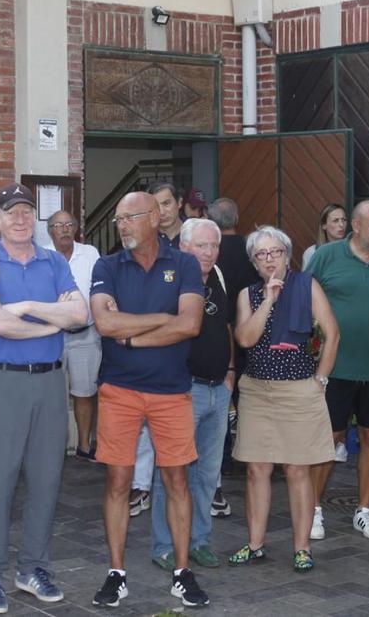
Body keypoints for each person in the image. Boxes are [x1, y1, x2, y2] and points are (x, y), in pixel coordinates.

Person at [0, 183, 87, 613]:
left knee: (47, 479)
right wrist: (49, 324)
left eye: (26, 212)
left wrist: (27, 306)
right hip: (2, 381)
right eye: (10, 211)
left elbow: (80, 314)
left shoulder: (53, 260)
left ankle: (33, 567)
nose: (19, 219)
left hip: (51, 382)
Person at [89, 191, 208, 610]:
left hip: (172, 390)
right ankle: (116, 574)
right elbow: (104, 322)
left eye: (130, 217)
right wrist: (162, 319)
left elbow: (191, 324)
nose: (121, 225)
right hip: (119, 389)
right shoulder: (107, 265)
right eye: (118, 218)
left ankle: (181, 573)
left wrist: (131, 337)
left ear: (155, 217)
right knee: (118, 481)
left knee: (177, 481)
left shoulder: (185, 263)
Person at [229, 225, 339, 572]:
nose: (268, 260)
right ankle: (255, 543)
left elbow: (332, 334)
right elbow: (245, 339)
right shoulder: (248, 295)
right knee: (256, 469)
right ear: (254, 263)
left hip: (298, 390)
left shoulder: (308, 286)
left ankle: (302, 547)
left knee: (297, 470)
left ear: (287, 254)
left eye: (274, 252)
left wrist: (320, 379)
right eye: (260, 255)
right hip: (258, 391)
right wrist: (270, 300)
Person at [306, 201, 369, 542]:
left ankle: (364, 510)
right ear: (356, 225)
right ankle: (313, 510)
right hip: (336, 367)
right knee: (328, 439)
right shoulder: (327, 256)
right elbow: (307, 299)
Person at [149, 218, 235, 570]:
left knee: (207, 475)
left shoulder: (217, 277)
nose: (209, 252)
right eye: (202, 246)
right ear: (183, 246)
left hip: (219, 389)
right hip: (183, 390)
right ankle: (165, 547)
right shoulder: (168, 280)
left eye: (213, 246)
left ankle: (198, 541)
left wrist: (230, 371)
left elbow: (225, 327)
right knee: (171, 473)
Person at [205, 196, 258, 516]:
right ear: (238, 218)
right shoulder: (252, 250)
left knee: (220, 402)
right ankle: (251, 452)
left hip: (219, 336)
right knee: (249, 398)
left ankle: (222, 458)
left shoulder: (210, 251)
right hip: (251, 331)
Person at [42, 209, 101, 461]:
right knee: (49, 396)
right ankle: (51, 448)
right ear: (50, 230)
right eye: (58, 225)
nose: (64, 229)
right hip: (50, 336)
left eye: (68, 224)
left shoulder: (90, 254)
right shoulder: (40, 255)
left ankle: (84, 447)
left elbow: (100, 289)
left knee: (85, 393)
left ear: (76, 228)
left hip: (85, 335)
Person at [301, 203, 348, 268]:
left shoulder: (352, 251)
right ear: (324, 225)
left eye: (344, 220)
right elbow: (306, 278)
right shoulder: (311, 253)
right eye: (335, 220)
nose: (341, 225)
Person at [149, 182, 184, 247]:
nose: (162, 212)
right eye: (156, 206)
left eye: (166, 203)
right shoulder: (145, 239)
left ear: (179, 202)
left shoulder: (198, 231)